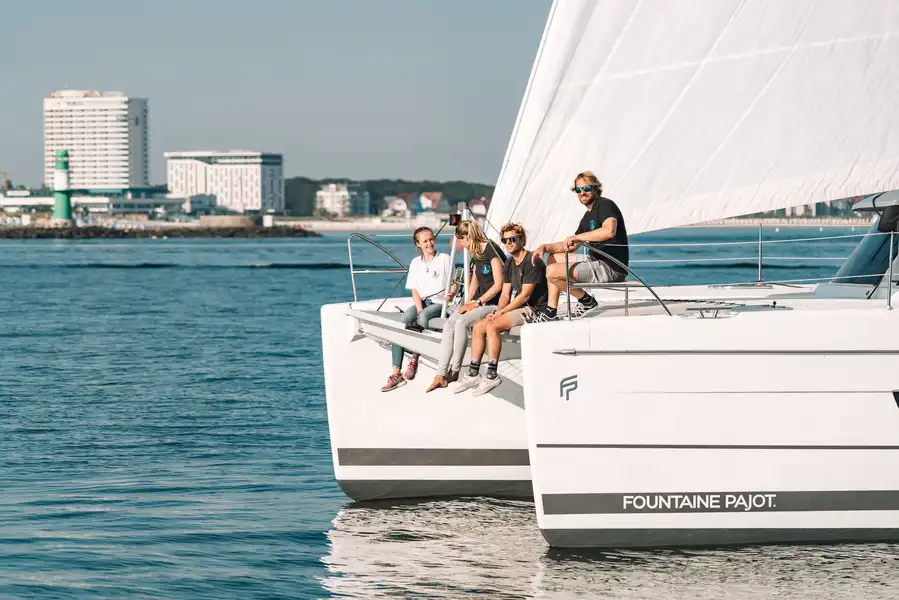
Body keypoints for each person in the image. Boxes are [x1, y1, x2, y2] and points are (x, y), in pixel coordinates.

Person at [455, 222, 548, 396]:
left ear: (522, 240)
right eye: (505, 240)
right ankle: (474, 373)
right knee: (478, 327)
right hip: (518, 308)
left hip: (534, 309)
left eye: (513, 239)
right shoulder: (510, 263)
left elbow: (525, 296)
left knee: (493, 326)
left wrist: (501, 313)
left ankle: (491, 375)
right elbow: (505, 294)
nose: (509, 243)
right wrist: (497, 310)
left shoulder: (532, 260)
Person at [532, 170, 629, 320]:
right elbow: (571, 246)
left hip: (611, 267)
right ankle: (551, 311)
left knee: (552, 272)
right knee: (552, 258)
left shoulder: (605, 205)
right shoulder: (587, 216)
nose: (582, 192)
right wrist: (545, 247)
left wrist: (578, 237)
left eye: (587, 188)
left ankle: (587, 301)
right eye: (578, 190)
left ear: (596, 188)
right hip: (595, 261)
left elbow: (609, 230)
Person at [426, 219, 505, 392]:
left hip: (493, 303)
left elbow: (499, 284)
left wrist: (476, 303)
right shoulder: (475, 251)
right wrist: (467, 302)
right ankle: (441, 374)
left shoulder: (491, 250)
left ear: (468, 237)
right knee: (449, 324)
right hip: (477, 301)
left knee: (461, 322)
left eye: (461, 240)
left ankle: (455, 370)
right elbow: (476, 279)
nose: (460, 244)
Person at [382, 226, 454, 392]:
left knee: (423, 319)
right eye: (425, 241)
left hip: (440, 303)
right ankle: (396, 373)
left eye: (431, 239)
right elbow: (415, 290)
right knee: (403, 321)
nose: (429, 243)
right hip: (423, 302)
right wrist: (420, 308)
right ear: (418, 244)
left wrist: (450, 294)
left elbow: (455, 283)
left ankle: (415, 357)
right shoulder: (415, 263)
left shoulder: (444, 258)